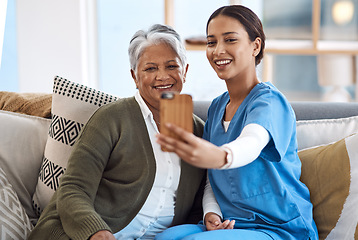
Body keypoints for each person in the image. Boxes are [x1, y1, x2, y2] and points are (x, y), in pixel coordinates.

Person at [28, 24, 206, 240]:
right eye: (150, 68)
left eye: (171, 66)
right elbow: (73, 188)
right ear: (134, 76)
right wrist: (96, 232)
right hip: (79, 233)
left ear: (185, 71)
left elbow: (198, 206)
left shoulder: (198, 131)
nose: (162, 76)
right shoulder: (111, 118)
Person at [155, 5, 318, 240]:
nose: (218, 50)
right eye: (211, 42)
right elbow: (214, 180)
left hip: (278, 228)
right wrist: (211, 212)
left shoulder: (269, 101)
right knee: (165, 238)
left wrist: (220, 156)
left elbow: (251, 142)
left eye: (230, 40)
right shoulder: (217, 107)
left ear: (256, 46)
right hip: (233, 225)